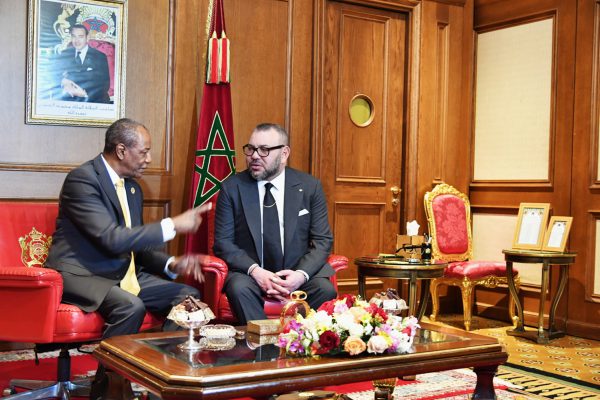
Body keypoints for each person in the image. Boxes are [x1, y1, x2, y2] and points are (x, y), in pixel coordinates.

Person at [45, 118, 211, 398]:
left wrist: (172, 264)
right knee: (129, 306)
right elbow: (111, 238)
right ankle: (107, 389)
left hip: (121, 272)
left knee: (187, 298)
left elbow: (135, 245)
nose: (149, 159)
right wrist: (172, 225)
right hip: (81, 273)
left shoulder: (133, 188)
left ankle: (165, 379)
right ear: (121, 150)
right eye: (144, 151)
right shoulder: (83, 180)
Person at [213, 123, 337, 324]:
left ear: (284, 153)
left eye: (264, 150)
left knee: (325, 290)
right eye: (251, 149)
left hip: (296, 271)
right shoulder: (232, 187)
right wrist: (256, 272)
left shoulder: (309, 187)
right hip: (251, 273)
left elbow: (322, 240)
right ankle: (266, 348)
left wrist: (300, 275)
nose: (254, 156)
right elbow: (223, 243)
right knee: (239, 289)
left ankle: (296, 341)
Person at [58, 24, 111, 103]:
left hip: (94, 99)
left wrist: (85, 94)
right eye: (74, 36)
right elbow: (55, 77)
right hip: (69, 99)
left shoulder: (100, 56)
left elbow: (105, 84)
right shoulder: (64, 54)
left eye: (80, 36)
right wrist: (63, 82)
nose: (77, 40)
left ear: (87, 38)